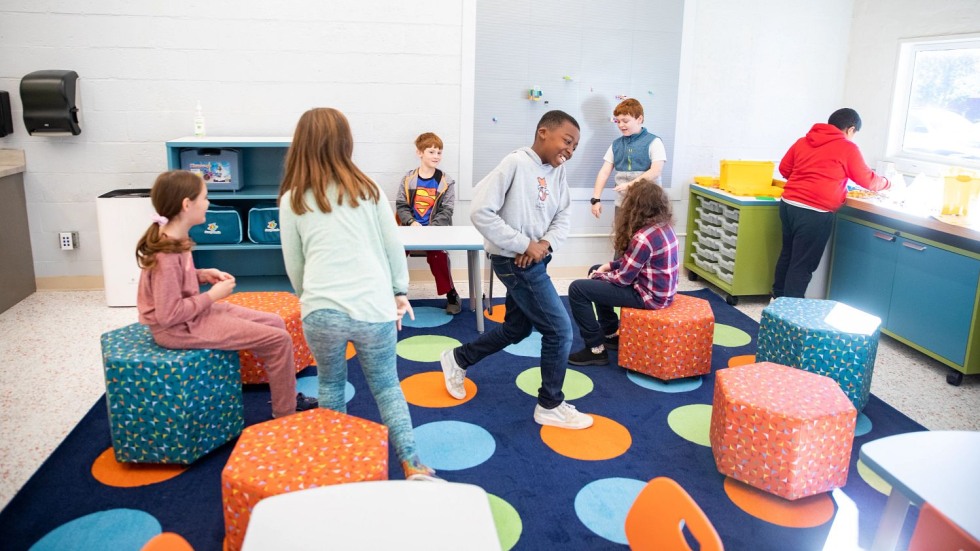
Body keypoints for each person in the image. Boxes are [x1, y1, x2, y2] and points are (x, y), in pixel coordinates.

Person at [278, 107, 440, 481]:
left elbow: (295, 265)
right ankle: (413, 464)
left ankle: (336, 470)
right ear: (345, 143)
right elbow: (391, 246)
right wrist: (400, 291)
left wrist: (310, 298)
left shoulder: (292, 199)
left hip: (321, 311)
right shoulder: (368, 190)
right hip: (373, 306)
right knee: (386, 386)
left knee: (330, 385)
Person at [439, 110, 594, 430]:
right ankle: (550, 404)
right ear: (542, 133)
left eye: (576, 146)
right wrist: (524, 244)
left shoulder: (558, 173)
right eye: (567, 141)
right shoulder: (515, 163)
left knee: (517, 329)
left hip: (534, 259)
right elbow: (481, 212)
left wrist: (544, 246)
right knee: (560, 330)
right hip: (514, 262)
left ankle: (458, 358)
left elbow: (563, 215)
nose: (570, 150)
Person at [135, 170, 317, 419]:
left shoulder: (175, 237)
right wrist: (213, 295)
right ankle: (284, 411)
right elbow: (168, 315)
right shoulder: (166, 254)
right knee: (278, 340)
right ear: (187, 205)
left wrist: (201, 274)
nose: (208, 203)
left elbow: (175, 282)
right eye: (205, 197)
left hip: (195, 315)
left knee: (275, 323)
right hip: (179, 328)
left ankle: (278, 387)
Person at [773, 107, 890, 298]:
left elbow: (785, 169)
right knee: (802, 263)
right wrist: (887, 183)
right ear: (851, 129)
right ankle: (788, 312)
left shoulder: (803, 141)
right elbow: (868, 180)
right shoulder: (847, 147)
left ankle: (776, 300)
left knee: (787, 254)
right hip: (814, 212)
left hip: (788, 205)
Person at [567, 179, 679, 366]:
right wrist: (608, 267)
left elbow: (623, 279)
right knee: (596, 269)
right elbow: (636, 262)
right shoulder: (664, 227)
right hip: (661, 293)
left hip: (648, 297)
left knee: (577, 289)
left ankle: (595, 349)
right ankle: (610, 334)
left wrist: (598, 277)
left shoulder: (643, 237)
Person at [395, 132, 461, 314]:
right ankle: (389, 294)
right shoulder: (408, 179)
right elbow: (401, 205)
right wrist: (410, 222)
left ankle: (452, 294)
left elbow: (447, 210)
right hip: (410, 230)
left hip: (435, 231)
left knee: (438, 256)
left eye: (439, 152)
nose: (436, 156)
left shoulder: (446, 181)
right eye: (431, 152)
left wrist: (431, 230)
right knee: (394, 254)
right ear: (420, 153)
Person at [588, 98, 667, 223]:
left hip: (650, 206)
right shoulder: (616, 145)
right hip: (623, 205)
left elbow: (656, 171)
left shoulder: (654, 142)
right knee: (623, 239)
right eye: (618, 121)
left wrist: (630, 185)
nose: (620, 125)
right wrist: (596, 199)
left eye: (625, 121)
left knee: (648, 240)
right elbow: (604, 172)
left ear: (639, 119)